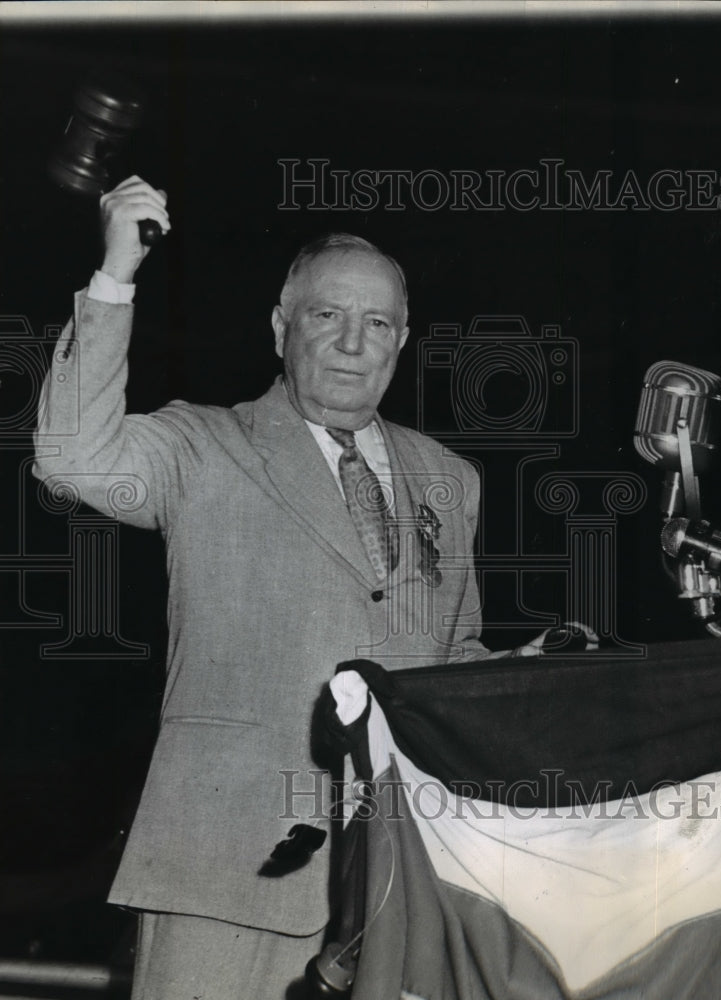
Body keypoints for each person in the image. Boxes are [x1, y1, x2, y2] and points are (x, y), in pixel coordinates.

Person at [34, 176, 538, 999]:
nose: (351, 342)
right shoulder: (205, 445)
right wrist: (116, 272)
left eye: (376, 323)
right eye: (326, 316)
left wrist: (526, 679)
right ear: (280, 328)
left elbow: (453, 659)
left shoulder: (450, 478)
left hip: (394, 884)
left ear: (402, 341)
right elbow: (69, 457)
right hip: (227, 874)